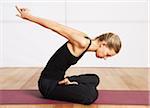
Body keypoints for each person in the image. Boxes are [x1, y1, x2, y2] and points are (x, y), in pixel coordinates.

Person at [16, 6, 122, 105]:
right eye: (108, 54)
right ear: (103, 44)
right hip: (48, 85)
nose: (105, 58)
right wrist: (29, 17)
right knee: (91, 94)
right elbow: (56, 27)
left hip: (58, 80)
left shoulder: (84, 38)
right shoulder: (82, 42)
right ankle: (73, 84)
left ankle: (69, 80)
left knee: (95, 79)